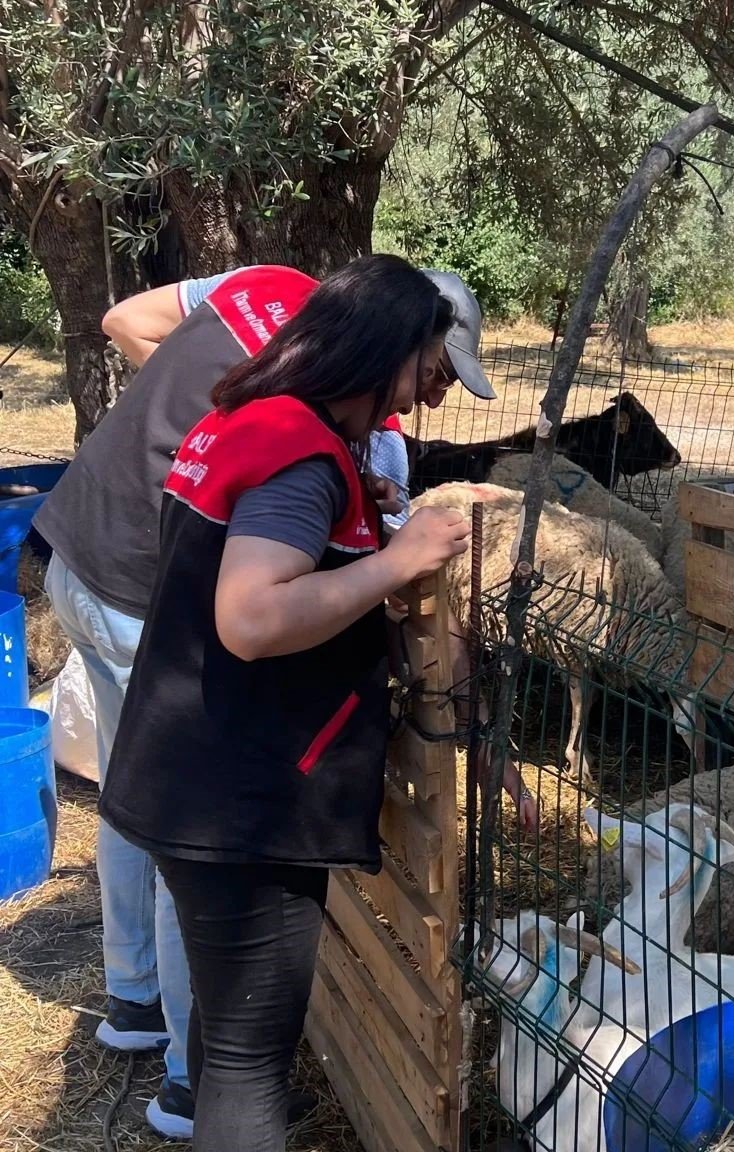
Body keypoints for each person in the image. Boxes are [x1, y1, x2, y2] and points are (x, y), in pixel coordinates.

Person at [31, 258, 525, 1139]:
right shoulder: (298, 454)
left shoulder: (252, 418)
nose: (419, 400)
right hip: (241, 800)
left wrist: (354, 524)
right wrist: (396, 562)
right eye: (423, 369)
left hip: (189, 769)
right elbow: (253, 617)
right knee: (250, 1061)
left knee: (230, 1038)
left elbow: (255, 548)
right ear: (381, 351)